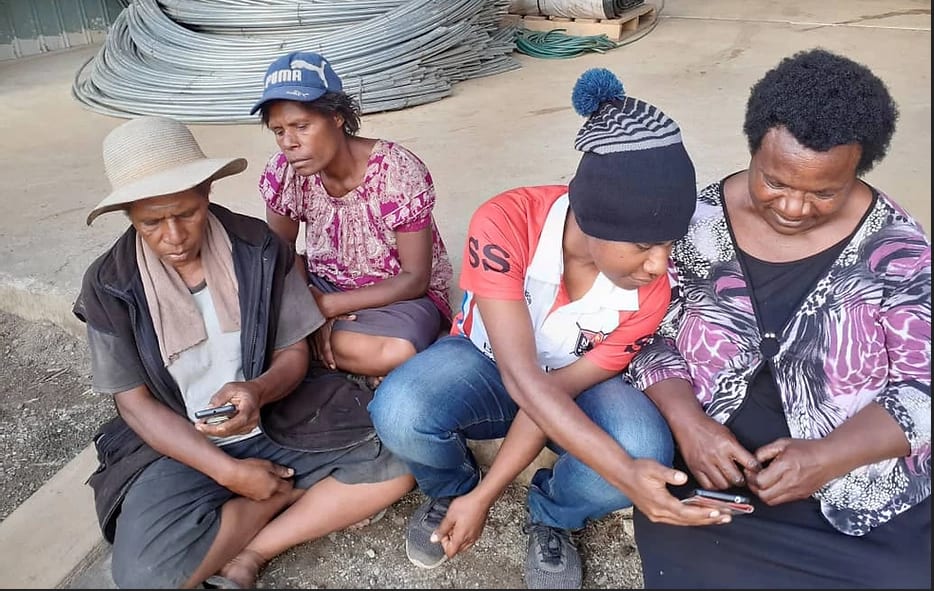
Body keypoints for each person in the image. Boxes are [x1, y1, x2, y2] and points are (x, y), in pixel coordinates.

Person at [369, 68, 734, 589]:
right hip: (488, 363)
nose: (659, 265)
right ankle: (452, 486)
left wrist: (628, 471)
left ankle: (552, 514)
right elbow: (521, 379)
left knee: (640, 448)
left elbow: (555, 391)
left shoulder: (650, 286)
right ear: (593, 220)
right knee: (400, 410)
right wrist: (483, 496)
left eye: (669, 245)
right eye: (644, 247)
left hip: (571, 383)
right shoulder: (507, 221)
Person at [627, 48, 931, 588]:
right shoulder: (693, 224)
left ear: (857, 171)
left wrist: (825, 457)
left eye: (824, 192)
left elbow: (921, 391)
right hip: (713, 482)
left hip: (856, 490)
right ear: (753, 150)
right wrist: (689, 424)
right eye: (775, 182)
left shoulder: (897, 250)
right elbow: (646, 337)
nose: (793, 207)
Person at [72, 115, 414, 589]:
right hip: (178, 443)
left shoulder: (257, 246)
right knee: (144, 578)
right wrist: (230, 473)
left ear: (207, 192)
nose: (174, 236)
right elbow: (134, 403)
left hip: (274, 415)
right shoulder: (109, 284)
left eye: (186, 213)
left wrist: (257, 389)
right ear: (127, 214)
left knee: (400, 461)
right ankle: (273, 497)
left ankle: (254, 549)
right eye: (152, 222)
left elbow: (294, 353)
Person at [251, 50, 454, 389]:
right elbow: (282, 251)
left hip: (396, 296)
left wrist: (323, 309)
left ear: (337, 117)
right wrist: (308, 306)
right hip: (320, 285)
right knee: (246, 316)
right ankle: (328, 351)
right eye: (278, 131)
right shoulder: (284, 173)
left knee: (397, 349)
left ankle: (306, 353)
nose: (290, 143)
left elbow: (415, 278)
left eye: (302, 126)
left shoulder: (397, 171)